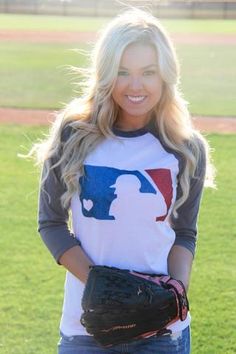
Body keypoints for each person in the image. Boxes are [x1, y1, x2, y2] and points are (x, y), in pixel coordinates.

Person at [34, 8, 215, 354]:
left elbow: (185, 233)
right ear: (105, 74)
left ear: (165, 75)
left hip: (161, 333)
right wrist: (106, 288)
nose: (135, 86)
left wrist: (174, 292)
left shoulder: (185, 148)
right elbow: (51, 224)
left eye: (148, 72)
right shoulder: (73, 135)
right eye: (122, 72)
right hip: (85, 326)